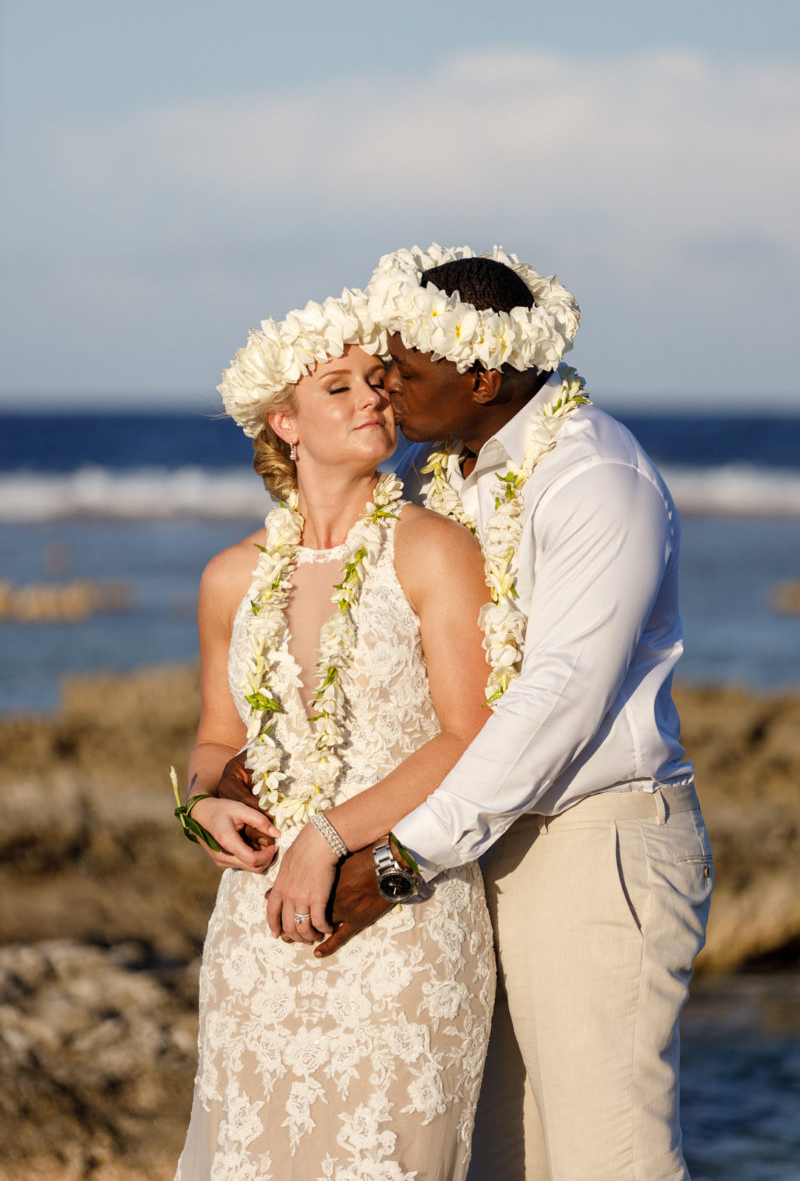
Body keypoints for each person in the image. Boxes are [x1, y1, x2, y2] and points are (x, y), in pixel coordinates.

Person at [223, 246, 713, 1181]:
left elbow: (556, 701)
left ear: (483, 376)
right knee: (502, 1159)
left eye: (404, 370)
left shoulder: (592, 480)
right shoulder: (458, 472)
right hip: (480, 844)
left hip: (590, 841)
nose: (386, 391)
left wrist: (399, 859)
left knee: (608, 1156)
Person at [174, 287, 496, 1180]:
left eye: (379, 384)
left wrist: (327, 836)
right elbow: (213, 740)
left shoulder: (434, 551)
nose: (373, 400)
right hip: (258, 934)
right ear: (284, 422)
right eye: (340, 388)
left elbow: (468, 737)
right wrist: (204, 808)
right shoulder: (229, 578)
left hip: (400, 916)